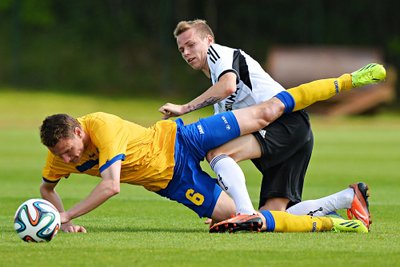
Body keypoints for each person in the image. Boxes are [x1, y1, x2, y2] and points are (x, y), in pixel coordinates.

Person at [39, 66, 385, 234]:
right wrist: (62, 217)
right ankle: (338, 211)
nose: (69, 160)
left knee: (267, 111)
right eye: (63, 156)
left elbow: (110, 184)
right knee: (254, 221)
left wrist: (65, 216)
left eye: (71, 150)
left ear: (79, 129)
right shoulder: (58, 156)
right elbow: (47, 188)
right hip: (172, 181)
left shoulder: (101, 125)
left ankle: (350, 80)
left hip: (182, 139)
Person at [159, 19, 382, 230]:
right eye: (181, 50)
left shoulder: (220, 55)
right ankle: (347, 199)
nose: (187, 53)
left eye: (191, 44)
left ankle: (244, 213)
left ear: (209, 40)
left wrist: (184, 107)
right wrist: (219, 206)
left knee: (218, 154)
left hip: (284, 123)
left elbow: (228, 86)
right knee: (271, 215)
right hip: (295, 129)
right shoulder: (216, 83)